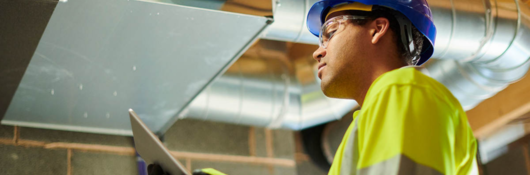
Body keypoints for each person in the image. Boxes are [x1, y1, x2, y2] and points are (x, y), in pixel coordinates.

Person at [306, 0, 477, 174]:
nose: (317, 52)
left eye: (331, 32)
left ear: (378, 29)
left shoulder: (405, 91)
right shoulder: (362, 124)